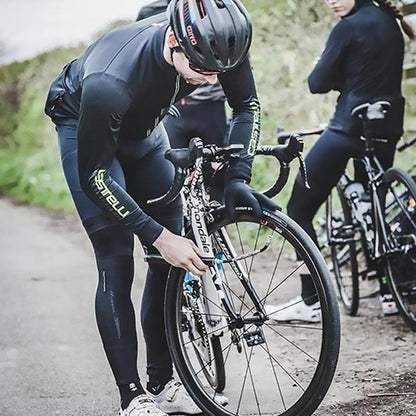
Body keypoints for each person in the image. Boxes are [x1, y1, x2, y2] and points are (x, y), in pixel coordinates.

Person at [44, 1, 277, 415]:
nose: (213, 80)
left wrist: (238, 177)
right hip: (86, 128)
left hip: (147, 131)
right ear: (173, 43)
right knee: (117, 258)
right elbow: (96, 179)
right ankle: (131, 396)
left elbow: (247, 106)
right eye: (203, 71)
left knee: (168, 265)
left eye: (219, 72)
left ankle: (164, 382)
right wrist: (158, 235)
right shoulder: (109, 81)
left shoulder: (219, 46)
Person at [266, 0, 415, 322]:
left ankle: (311, 300)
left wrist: (337, 74)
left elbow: (316, 83)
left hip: (349, 127)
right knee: (374, 203)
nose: (333, 1)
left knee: (299, 209)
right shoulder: (391, 21)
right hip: (387, 127)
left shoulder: (347, 27)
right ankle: (391, 294)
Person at [137, 0, 228, 203]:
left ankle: (215, 231)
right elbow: (144, 59)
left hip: (211, 109)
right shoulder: (150, 12)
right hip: (175, 111)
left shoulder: (217, 10)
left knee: (217, 181)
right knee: (172, 182)